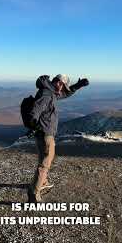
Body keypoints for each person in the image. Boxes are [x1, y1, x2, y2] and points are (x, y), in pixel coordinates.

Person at [28, 74, 89, 202]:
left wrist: (77, 86)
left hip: (45, 133)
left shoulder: (51, 91)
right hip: (45, 133)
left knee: (46, 158)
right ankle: (34, 194)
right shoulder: (47, 94)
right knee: (44, 164)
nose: (63, 90)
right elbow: (34, 112)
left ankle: (42, 182)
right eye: (63, 86)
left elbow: (65, 94)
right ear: (59, 83)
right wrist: (34, 126)